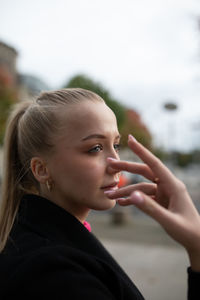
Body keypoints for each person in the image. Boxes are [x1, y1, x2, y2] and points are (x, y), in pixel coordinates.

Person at [0, 88, 199, 299]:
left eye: (116, 145)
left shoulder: (39, 242)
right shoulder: (55, 275)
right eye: (95, 148)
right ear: (41, 169)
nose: (116, 163)